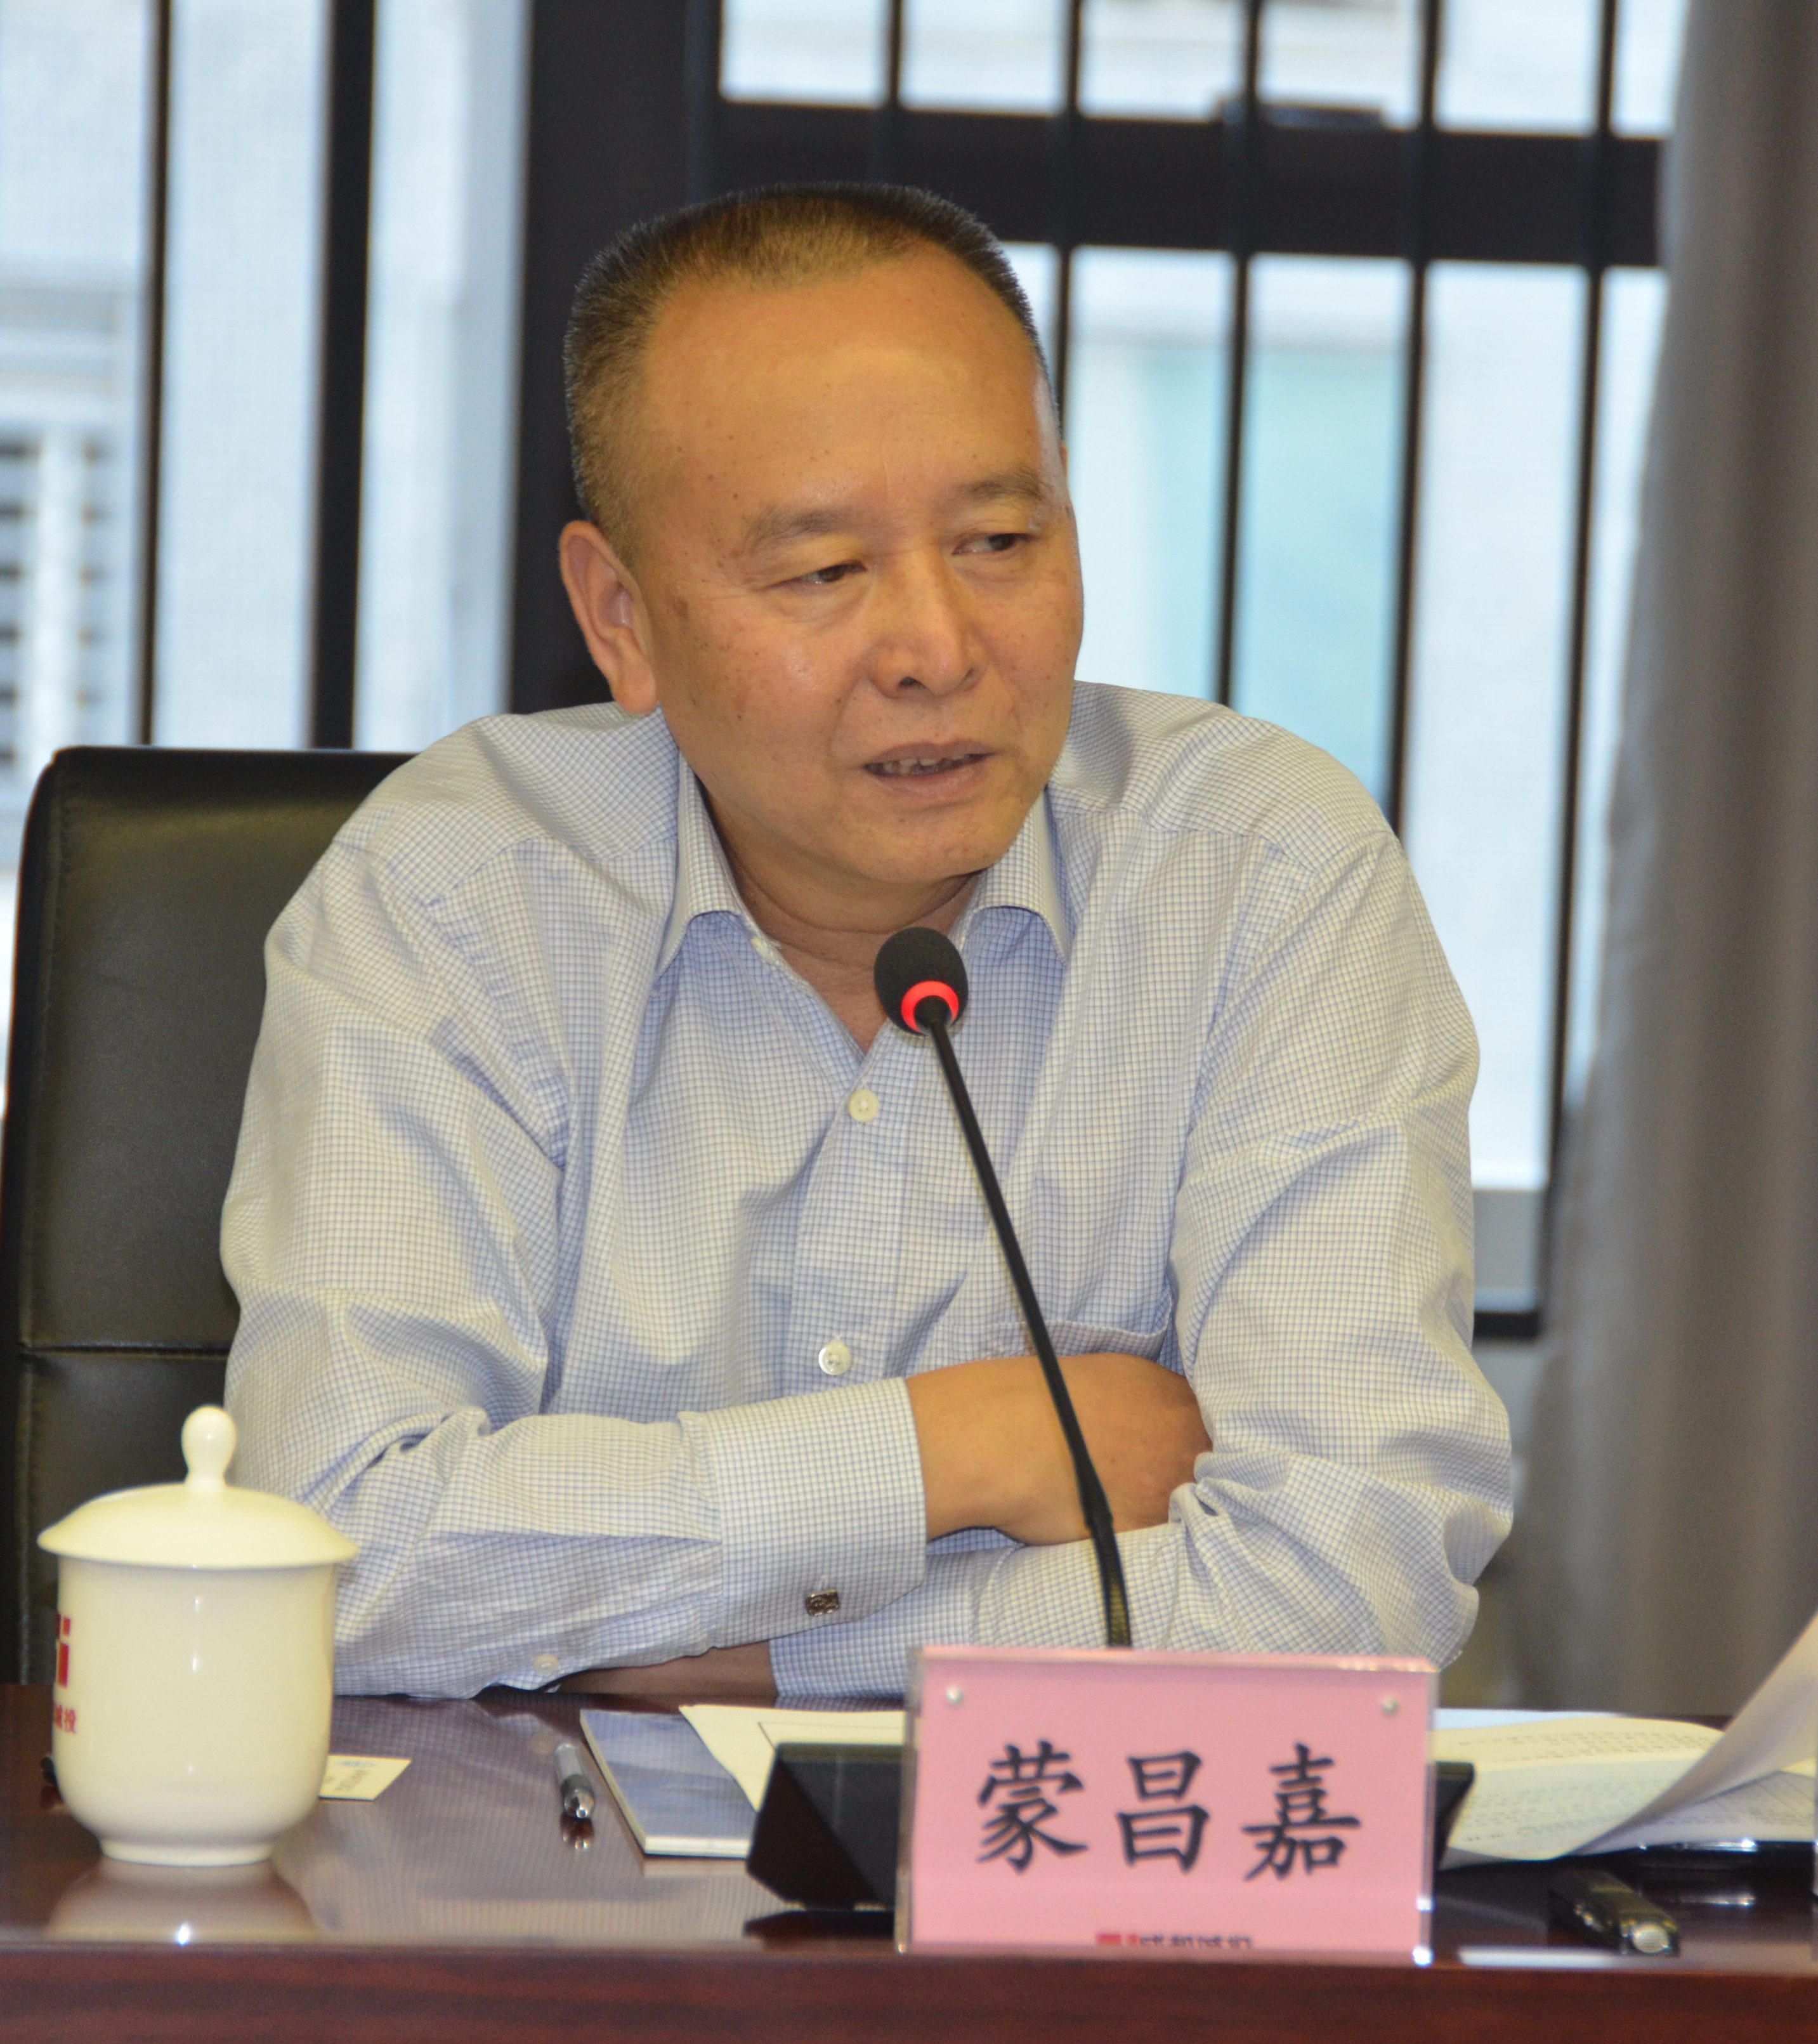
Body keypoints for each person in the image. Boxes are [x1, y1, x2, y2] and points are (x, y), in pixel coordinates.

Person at [223, 185, 1510, 1704]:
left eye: (998, 539)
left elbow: (1351, 1582)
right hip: (543, 1859)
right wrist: (957, 1448)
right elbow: (336, 1551)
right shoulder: (457, 900)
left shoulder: (1260, 879)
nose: (938, 650)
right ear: (620, 616)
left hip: (1070, 1854)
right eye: (825, 572)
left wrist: (750, 1655)